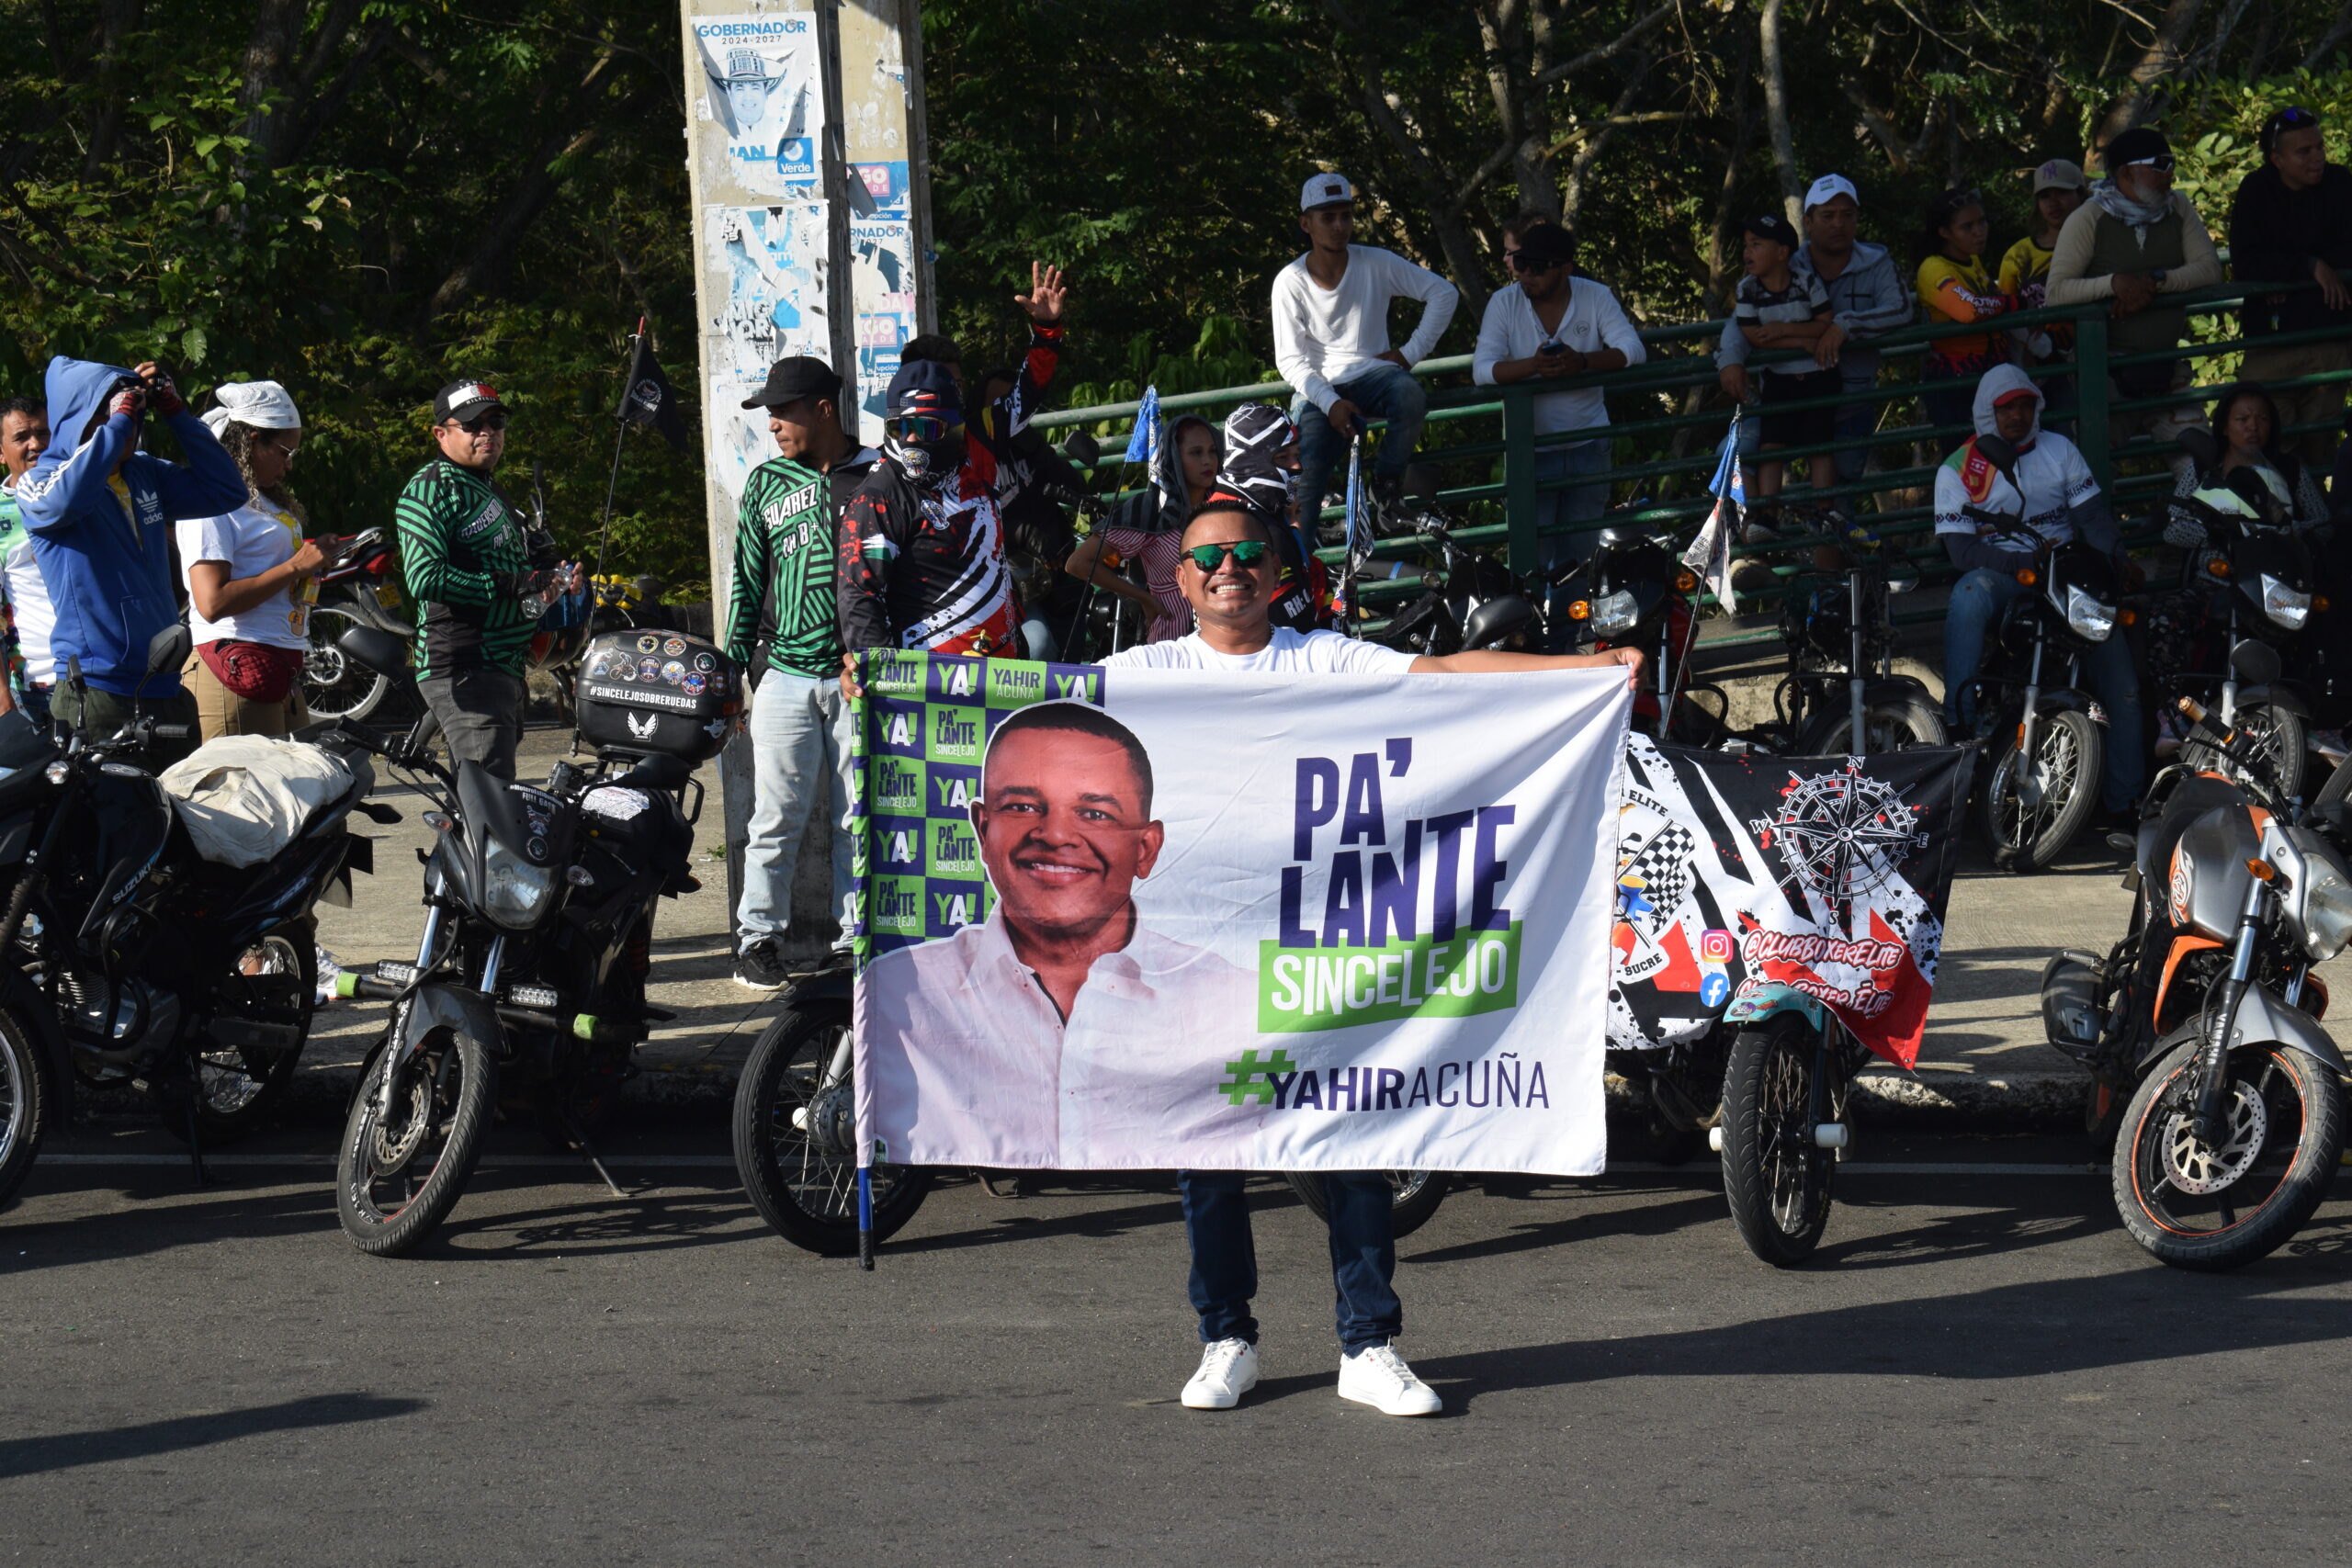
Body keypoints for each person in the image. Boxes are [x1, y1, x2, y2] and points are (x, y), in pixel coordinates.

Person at [1094, 498, 1640, 1419]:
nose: (1229, 569)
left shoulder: (1325, 660)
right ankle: (1226, 1338)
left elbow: (1447, 676)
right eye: (1209, 558)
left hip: (1322, 951)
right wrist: (883, 684)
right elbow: (1011, 701)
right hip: (1204, 955)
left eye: (1248, 553)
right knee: (1207, 1156)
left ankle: (1369, 1344)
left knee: (1353, 1141)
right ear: (1179, 579)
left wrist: (1584, 668)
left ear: (1277, 572)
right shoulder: (1142, 674)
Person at [860, 701, 1255, 1170]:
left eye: (1095, 813)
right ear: (983, 829)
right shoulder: (900, 989)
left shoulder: (1228, 998)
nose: (1055, 835)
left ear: (1146, 848)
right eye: (1022, 807)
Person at [1934, 364, 2143, 821]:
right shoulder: (1957, 468)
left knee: (2124, 688)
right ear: (1987, 412)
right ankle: (1958, 720)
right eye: (2007, 408)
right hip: (2006, 573)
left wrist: (2117, 562)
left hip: (2067, 574)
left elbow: (2092, 518)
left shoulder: (2059, 449)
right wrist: (2022, 563)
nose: (2018, 416)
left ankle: (2124, 804)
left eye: (2026, 406)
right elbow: (1961, 551)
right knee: (1968, 593)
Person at [725, 356, 873, 990]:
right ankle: (757, 940)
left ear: (823, 408)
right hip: (784, 674)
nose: (773, 425)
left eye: (783, 412)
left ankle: (853, 941)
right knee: (774, 818)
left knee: (857, 817)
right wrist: (734, 670)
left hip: (859, 680)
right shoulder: (766, 482)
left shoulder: (878, 475)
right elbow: (746, 580)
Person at [16, 356, 245, 761]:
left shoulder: (144, 473)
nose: (128, 422)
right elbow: (64, 503)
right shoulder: (41, 482)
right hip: (98, 690)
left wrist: (176, 412)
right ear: (75, 418)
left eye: (134, 412)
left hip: (163, 681)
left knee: (180, 800)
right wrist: (117, 422)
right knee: (105, 803)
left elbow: (227, 490)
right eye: (106, 411)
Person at [394, 379, 575, 780]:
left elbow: (517, 570)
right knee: (489, 800)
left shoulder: (486, 486)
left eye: (496, 423)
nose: (488, 433)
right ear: (440, 433)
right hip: (466, 665)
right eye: (473, 425)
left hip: (502, 667)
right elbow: (425, 578)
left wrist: (554, 581)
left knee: (489, 796)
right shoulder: (431, 488)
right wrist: (517, 583)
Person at [1272, 172, 1458, 550]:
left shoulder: (1376, 261)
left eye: (1346, 216)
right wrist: (1331, 403)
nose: (1339, 226)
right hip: (1318, 388)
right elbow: (1290, 360)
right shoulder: (1290, 280)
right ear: (1306, 224)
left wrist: (1410, 353)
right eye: (1328, 217)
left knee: (1410, 396)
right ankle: (1297, 566)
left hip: (1374, 375)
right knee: (1306, 473)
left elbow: (1444, 293)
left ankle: (1386, 484)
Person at [1472, 217, 1646, 570]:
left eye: (1537, 268)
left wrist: (1583, 362)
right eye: (1521, 263)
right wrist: (1534, 366)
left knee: (1579, 560)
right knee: (1530, 559)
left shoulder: (1595, 296)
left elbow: (1633, 350)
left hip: (1589, 444)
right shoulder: (1504, 302)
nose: (1526, 275)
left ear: (1565, 269)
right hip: (1529, 451)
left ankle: (1572, 610)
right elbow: (1482, 370)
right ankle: (1534, 610)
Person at [1717, 174, 1913, 486]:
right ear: (1808, 222)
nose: (1838, 224)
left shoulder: (1876, 262)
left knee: (1840, 492)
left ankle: (1822, 515)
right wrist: (1730, 360)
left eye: (1847, 215)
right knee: (1732, 458)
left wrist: (1844, 326)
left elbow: (1901, 309)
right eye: (1828, 215)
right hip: (1784, 395)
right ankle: (1762, 516)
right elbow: (1739, 322)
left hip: (1851, 400)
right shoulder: (1784, 262)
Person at [2046, 126, 2223, 450]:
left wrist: (2155, 282)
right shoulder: (2089, 217)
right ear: (2127, 172)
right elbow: (2056, 292)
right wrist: (2113, 285)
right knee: (2095, 467)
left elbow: (2210, 269)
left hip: (2166, 367)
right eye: (2160, 164)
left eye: (2172, 163)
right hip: (2104, 373)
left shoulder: (2178, 205)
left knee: (2201, 460)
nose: (2170, 174)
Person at [837, 361, 1021, 660]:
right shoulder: (878, 496)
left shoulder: (976, 465)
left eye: (927, 428)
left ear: (955, 428)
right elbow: (859, 596)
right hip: (928, 677)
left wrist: (1048, 336)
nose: (910, 439)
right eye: (899, 427)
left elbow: (1027, 397)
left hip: (1001, 664)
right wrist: (882, 676)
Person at [178, 381, 325, 739]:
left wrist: (314, 560)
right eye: (284, 452)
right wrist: (295, 567)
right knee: (243, 779)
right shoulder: (211, 504)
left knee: (301, 774)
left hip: (278, 666)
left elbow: (269, 569)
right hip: (235, 665)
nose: (289, 465)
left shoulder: (264, 499)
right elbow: (212, 603)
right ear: (252, 441)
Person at [2230, 107, 2352, 467]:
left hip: (2329, 341)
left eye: (2320, 147)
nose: (2317, 157)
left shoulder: (2339, 182)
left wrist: (2286, 271)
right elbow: (2247, 261)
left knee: (2319, 447)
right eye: (2304, 151)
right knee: (2272, 449)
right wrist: (2308, 266)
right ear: (2277, 159)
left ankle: (2314, 505)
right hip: (2273, 348)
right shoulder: (2256, 190)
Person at [1061, 414, 1219, 645]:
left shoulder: (1223, 505)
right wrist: (1144, 598)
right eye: (1196, 453)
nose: (1208, 461)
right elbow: (1077, 563)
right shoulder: (1149, 509)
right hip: (1171, 642)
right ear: (1174, 458)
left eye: (1212, 451)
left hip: (1224, 638)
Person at [1722, 213, 1837, 509]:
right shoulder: (1747, 289)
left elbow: (1825, 322)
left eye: (1756, 244)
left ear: (1782, 252)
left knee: (1820, 446)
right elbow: (1755, 336)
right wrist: (1799, 341)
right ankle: (1767, 516)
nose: (1747, 252)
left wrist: (1783, 330)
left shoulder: (1805, 281)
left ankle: (1824, 511)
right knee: (1770, 447)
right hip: (1777, 379)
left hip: (1818, 375)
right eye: (1746, 245)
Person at [1914, 186, 2013, 452]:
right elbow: (1968, 309)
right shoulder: (1933, 268)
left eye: (1982, 222)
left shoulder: (1972, 260)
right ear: (1944, 232)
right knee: (1966, 461)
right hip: (1955, 383)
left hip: (1988, 375)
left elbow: (1988, 299)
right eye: (1967, 226)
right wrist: (2012, 303)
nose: (1979, 231)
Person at [1211, 402, 1326, 631]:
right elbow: (1287, 623)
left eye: (1296, 455)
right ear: (1250, 461)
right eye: (1283, 457)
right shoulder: (1238, 525)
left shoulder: (1257, 510)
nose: (1297, 466)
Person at [1997, 160, 2089, 423]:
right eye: (2045, 196)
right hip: (2037, 370)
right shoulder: (2019, 255)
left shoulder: (2099, 246)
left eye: (2062, 192)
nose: (2053, 202)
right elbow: (2005, 311)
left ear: (2081, 195)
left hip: (2091, 359)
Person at [0, 397, 53, 718]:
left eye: (43, 433)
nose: (36, 444)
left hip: (108, 673)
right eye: (21, 437)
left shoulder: (85, 492)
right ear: (1, 451)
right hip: (41, 687)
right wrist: (2, 697)